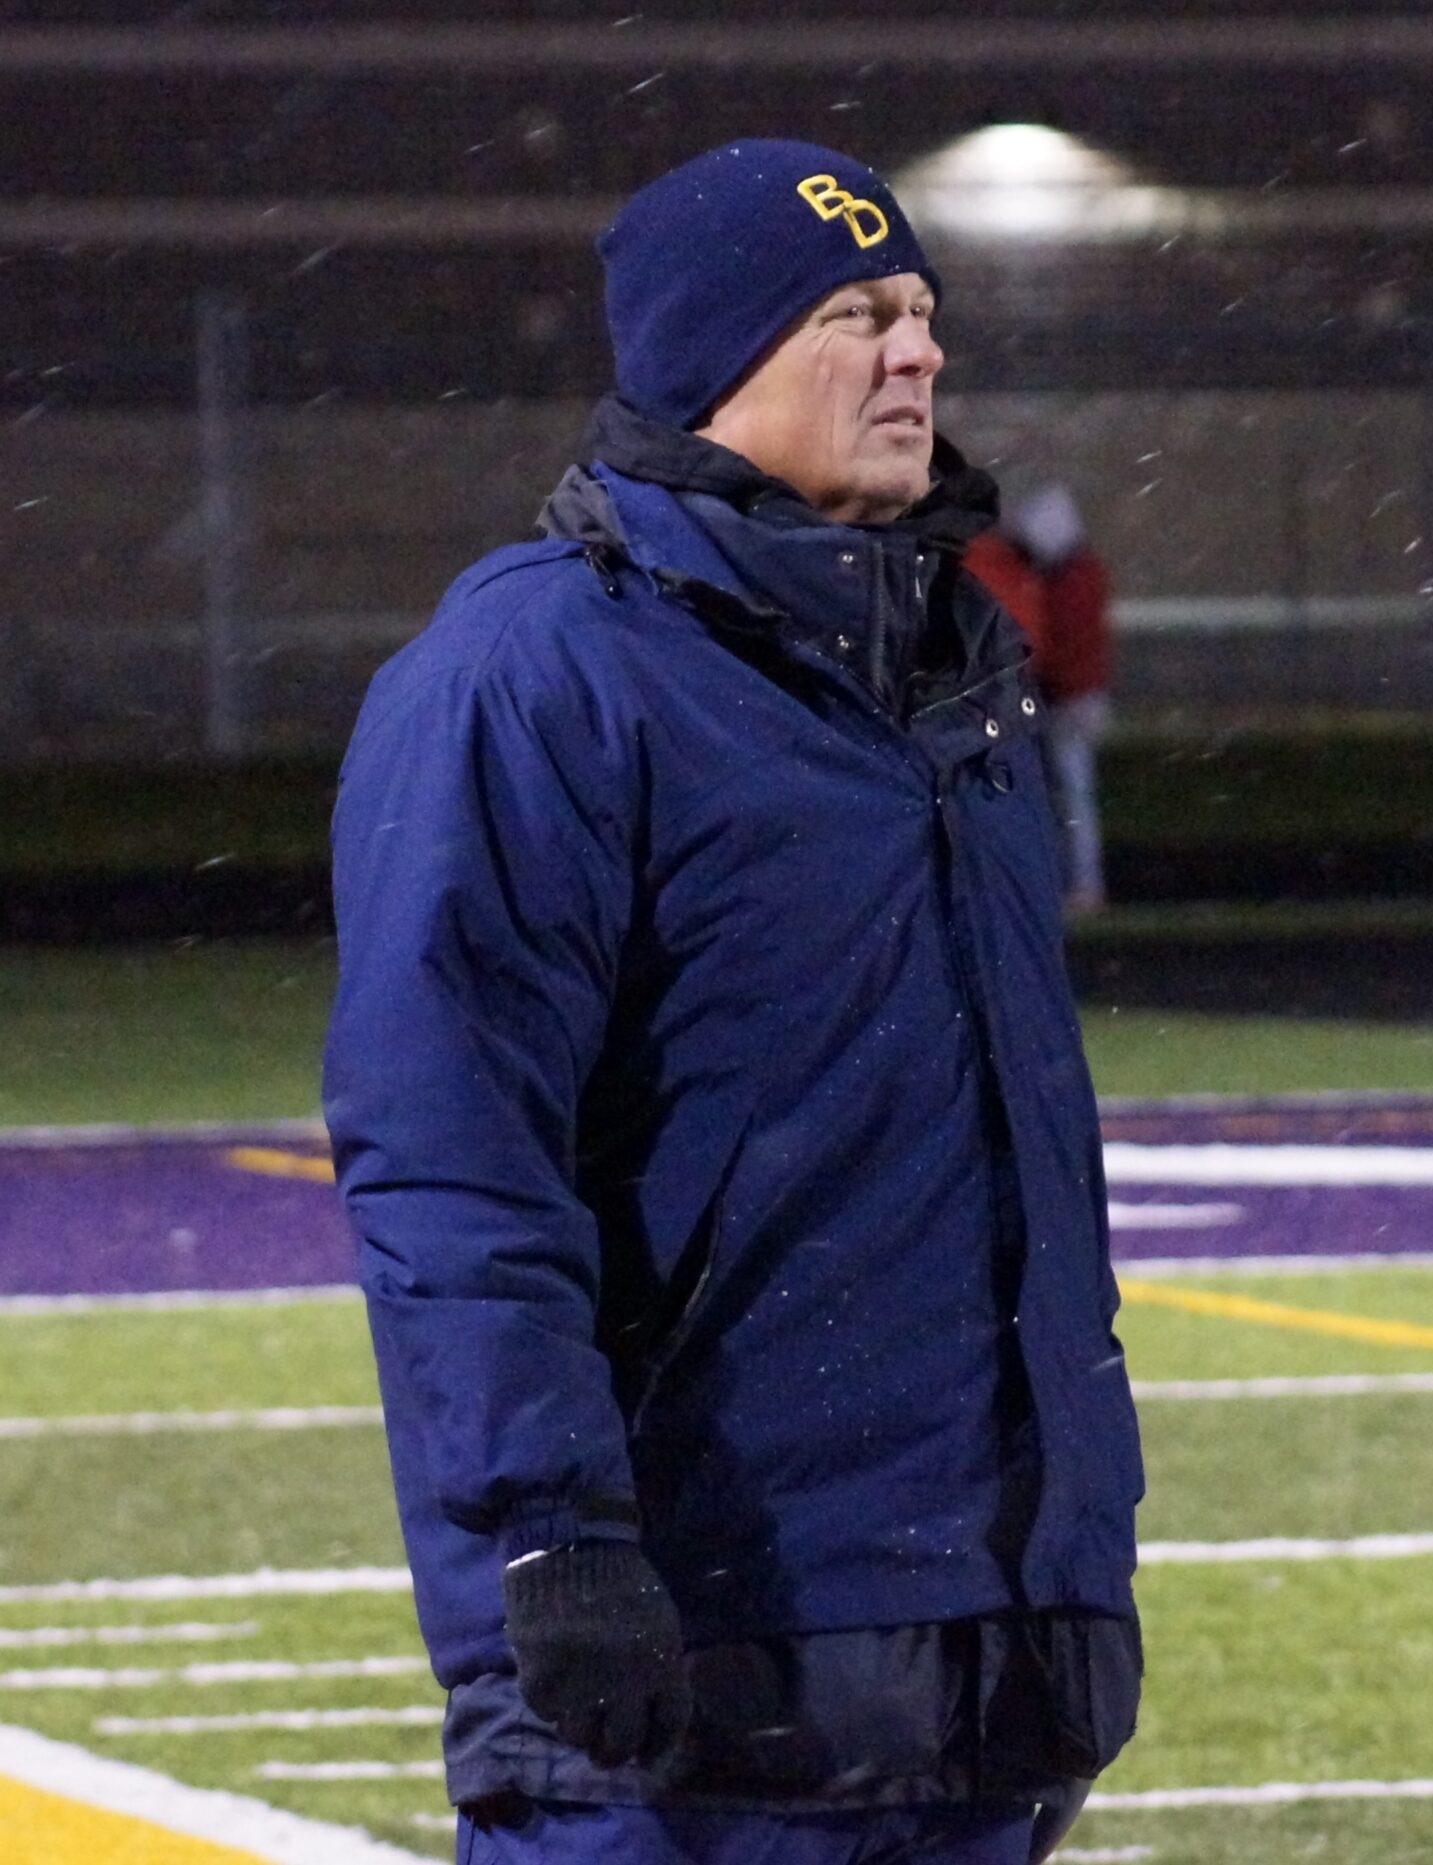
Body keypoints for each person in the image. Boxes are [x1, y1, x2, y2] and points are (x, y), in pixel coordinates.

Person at [323, 139, 1143, 1865]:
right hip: (689, 1660)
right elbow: (455, 1158)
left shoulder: (945, 675)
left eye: (921, 313)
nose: (918, 352)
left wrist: (1070, 1563)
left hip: (978, 1667)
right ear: (715, 364)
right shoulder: (534, 673)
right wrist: (549, 1535)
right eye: (857, 315)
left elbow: (1012, 1162)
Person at [965, 485, 1115, 912]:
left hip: (1057, 700)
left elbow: (1052, 645)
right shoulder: (1077, 575)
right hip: (1068, 699)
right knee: (1068, 792)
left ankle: (1078, 884)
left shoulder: (1047, 578)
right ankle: (1079, 884)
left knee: (1064, 792)